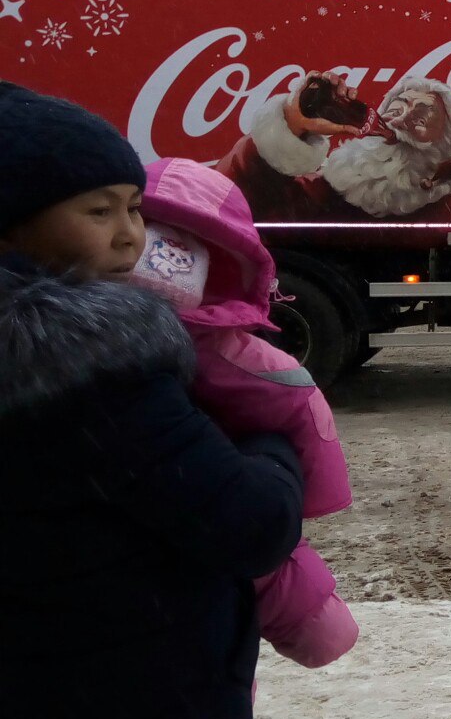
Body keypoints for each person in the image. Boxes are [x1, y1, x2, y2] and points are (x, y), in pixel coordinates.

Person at [0, 83, 305, 719]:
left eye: (135, 208)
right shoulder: (85, 369)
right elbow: (249, 522)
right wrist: (269, 444)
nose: (131, 237)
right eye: (98, 211)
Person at [130, 157, 360, 668]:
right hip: (185, 676)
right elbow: (303, 408)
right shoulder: (234, 366)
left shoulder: (50, 357)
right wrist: (305, 488)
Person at [219, 72, 451, 243]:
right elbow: (225, 202)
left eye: (423, 112)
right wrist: (293, 124)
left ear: (450, 150)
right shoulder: (330, 189)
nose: (401, 116)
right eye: (399, 103)